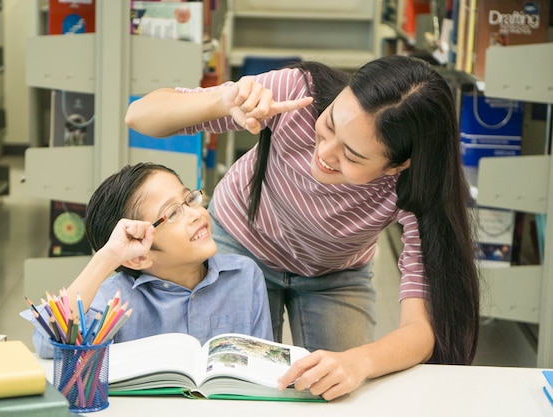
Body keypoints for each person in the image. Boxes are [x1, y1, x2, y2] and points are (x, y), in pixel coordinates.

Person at [124, 55, 480, 400]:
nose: (326, 153)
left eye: (352, 156)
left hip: (334, 276)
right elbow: (138, 115)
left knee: (341, 392)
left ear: (397, 166)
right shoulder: (295, 94)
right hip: (238, 244)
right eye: (329, 126)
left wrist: (359, 362)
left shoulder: (416, 190)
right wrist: (222, 101)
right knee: (227, 387)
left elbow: (420, 331)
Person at [31, 163, 273, 358]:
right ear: (138, 256)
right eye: (172, 214)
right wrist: (107, 257)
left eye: (189, 199)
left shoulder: (244, 275)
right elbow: (48, 343)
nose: (195, 214)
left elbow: (264, 365)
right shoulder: (115, 300)